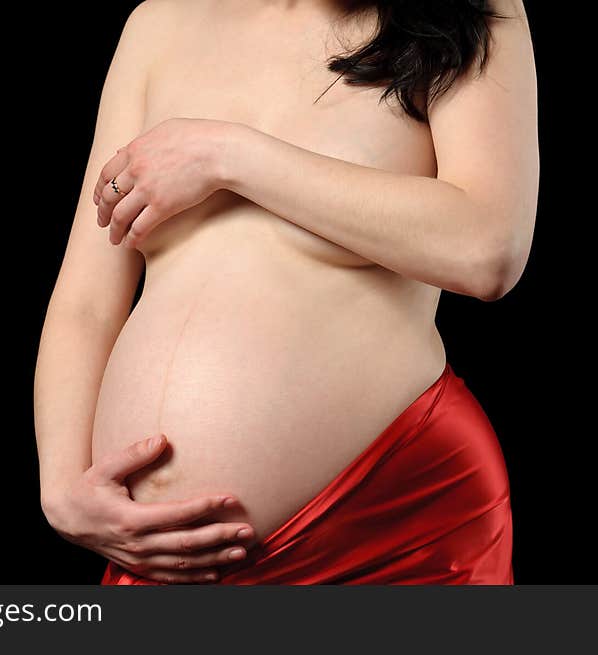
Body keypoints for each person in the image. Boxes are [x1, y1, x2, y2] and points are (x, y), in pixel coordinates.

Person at [35, 0, 538, 584]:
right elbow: (86, 303)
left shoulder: (469, 10)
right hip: (158, 557)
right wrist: (61, 488)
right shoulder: (159, 24)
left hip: (390, 523)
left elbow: (486, 251)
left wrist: (229, 155)